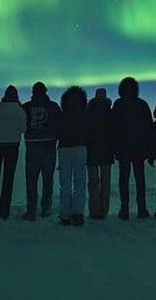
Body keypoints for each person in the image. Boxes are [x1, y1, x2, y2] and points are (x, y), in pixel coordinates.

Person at [110, 76, 154, 220]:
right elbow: (149, 128)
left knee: (125, 179)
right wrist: (148, 148)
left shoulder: (119, 104)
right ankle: (141, 208)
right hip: (139, 148)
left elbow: (114, 128)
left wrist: (115, 148)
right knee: (139, 178)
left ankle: (125, 209)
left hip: (124, 148)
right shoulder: (142, 105)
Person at [0, 85, 27, 222]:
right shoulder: (20, 111)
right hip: (12, 146)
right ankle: (4, 211)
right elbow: (23, 128)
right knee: (8, 179)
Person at [22, 81, 61, 221]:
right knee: (47, 179)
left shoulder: (26, 107)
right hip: (49, 146)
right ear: (45, 91)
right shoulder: (54, 106)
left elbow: (22, 125)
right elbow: (59, 125)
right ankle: (45, 208)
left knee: (31, 180)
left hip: (32, 147)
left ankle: (31, 210)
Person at [55, 86, 90, 226]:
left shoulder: (61, 114)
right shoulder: (84, 114)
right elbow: (89, 131)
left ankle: (65, 214)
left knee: (65, 182)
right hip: (80, 148)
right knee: (80, 182)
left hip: (64, 149)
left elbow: (56, 130)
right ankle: (77, 213)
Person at [86, 88, 113, 220]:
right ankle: (104, 210)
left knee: (93, 182)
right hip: (107, 151)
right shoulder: (110, 112)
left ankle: (94, 210)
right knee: (105, 182)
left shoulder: (89, 111)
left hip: (91, 150)